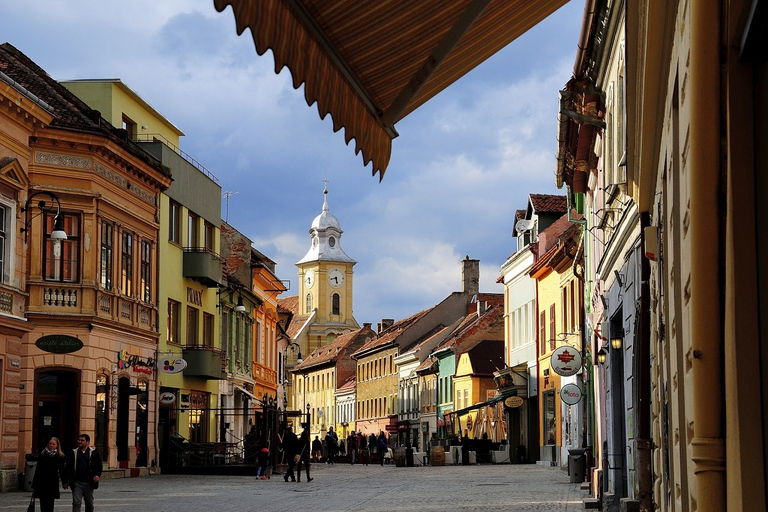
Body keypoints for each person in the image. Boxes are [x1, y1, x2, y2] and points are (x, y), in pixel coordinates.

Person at [67, 433, 102, 512]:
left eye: (82, 440)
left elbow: (98, 466)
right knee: (76, 502)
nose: (80, 442)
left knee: (89, 503)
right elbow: (69, 467)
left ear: (87, 442)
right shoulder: (74, 453)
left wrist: (97, 475)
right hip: (77, 482)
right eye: (79, 440)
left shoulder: (94, 453)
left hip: (89, 482)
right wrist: (66, 480)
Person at [31, 437, 68, 512]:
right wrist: (34, 485)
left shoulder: (60, 456)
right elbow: (38, 470)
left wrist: (64, 482)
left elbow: (62, 470)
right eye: (50, 444)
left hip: (52, 482)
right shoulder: (43, 454)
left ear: (57, 445)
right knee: (43, 503)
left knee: (50, 503)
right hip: (42, 482)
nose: (51, 445)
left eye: (53, 444)